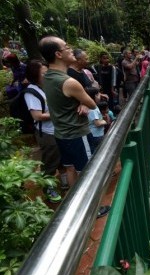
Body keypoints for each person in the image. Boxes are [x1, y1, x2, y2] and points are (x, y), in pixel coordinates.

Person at [38, 36, 110, 218]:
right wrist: (85, 102)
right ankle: (93, 210)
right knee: (87, 173)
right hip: (78, 134)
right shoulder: (69, 82)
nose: (71, 49)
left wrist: (82, 102)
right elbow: (93, 103)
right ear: (58, 54)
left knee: (70, 169)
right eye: (66, 47)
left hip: (61, 134)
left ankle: (74, 205)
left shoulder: (48, 77)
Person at [23, 59, 65, 203]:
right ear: (35, 75)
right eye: (44, 73)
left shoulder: (48, 86)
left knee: (61, 157)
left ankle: (63, 181)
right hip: (47, 133)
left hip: (58, 129)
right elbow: (37, 116)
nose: (47, 75)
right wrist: (59, 113)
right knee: (50, 162)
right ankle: (48, 189)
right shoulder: (32, 92)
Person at [86, 87, 107, 153]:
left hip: (94, 134)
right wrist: (104, 121)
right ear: (94, 96)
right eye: (98, 94)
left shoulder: (92, 106)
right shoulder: (93, 109)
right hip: (96, 135)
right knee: (98, 151)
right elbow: (97, 123)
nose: (100, 96)